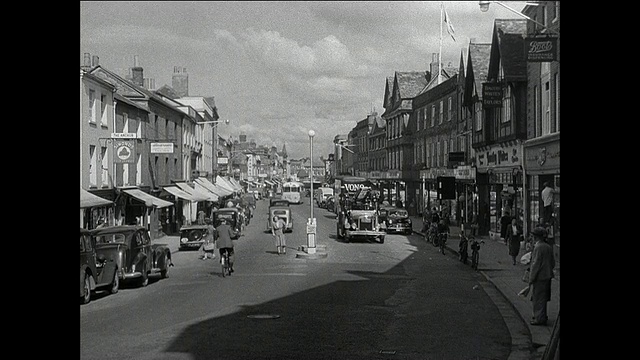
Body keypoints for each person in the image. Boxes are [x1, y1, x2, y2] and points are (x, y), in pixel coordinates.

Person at [528, 226, 555, 326]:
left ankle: (539, 318)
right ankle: (543, 315)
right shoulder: (548, 246)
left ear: (536, 237)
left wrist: (531, 277)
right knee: (544, 297)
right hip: (547, 275)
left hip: (540, 276)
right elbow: (552, 262)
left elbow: (536, 264)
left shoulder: (538, 247)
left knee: (537, 298)